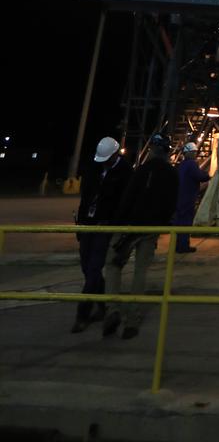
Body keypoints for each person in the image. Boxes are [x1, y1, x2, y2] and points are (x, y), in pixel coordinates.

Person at [102, 134, 179, 340]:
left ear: (152, 149)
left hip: (129, 226)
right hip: (150, 229)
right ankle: (132, 321)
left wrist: (118, 224)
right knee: (140, 272)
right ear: (167, 151)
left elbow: (128, 198)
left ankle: (112, 309)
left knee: (113, 265)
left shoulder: (141, 170)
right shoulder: (172, 174)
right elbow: (171, 205)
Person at [72, 136, 131, 333]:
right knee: (86, 267)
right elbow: (86, 196)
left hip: (105, 226)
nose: (104, 162)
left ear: (115, 155)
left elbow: (124, 202)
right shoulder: (95, 168)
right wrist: (81, 220)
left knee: (94, 268)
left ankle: (82, 314)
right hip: (88, 225)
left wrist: (116, 223)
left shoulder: (125, 172)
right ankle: (104, 305)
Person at [174, 141, 210, 254]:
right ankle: (183, 246)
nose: (195, 154)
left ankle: (178, 245)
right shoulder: (191, 164)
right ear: (188, 153)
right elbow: (200, 176)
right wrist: (208, 175)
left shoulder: (181, 165)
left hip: (180, 198)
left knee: (179, 222)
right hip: (188, 198)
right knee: (185, 222)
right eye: (194, 152)